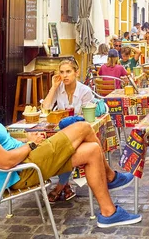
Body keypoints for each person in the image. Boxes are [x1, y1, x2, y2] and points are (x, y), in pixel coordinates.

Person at [0, 68, 141, 228]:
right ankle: (110, 177)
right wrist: (30, 144)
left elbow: (1, 148)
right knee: (83, 127)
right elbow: (5, 162)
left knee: (92, 150)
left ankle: (108, 213)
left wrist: (26, 141)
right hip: (22, 171)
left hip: (26, 162)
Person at [41, 59, 95, 202]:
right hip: (61, 133)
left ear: (76, 73)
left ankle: (59, 186)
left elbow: (87, 118)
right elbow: (46, 107)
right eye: (62, 72)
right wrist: (53, 87)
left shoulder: (85, 91)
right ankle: (65, 186)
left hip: (80, 133)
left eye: (68, 72)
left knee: (67, 150)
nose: (65, 75)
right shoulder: (59, 89)